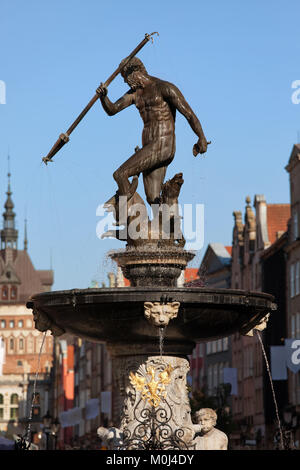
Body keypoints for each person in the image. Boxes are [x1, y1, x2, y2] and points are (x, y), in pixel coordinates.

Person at [96, 57, 208, 205]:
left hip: (162, 144)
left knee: (120, 174)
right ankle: (168, 225)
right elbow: (112, 109)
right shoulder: (135, 94)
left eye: (125, 78)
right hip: (150, 147)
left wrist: (201, 137)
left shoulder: (164, 87)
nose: (125, 82)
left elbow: (188, 114)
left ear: (134, 72)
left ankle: (123, 219)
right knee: (153, 199)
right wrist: (103, 97)